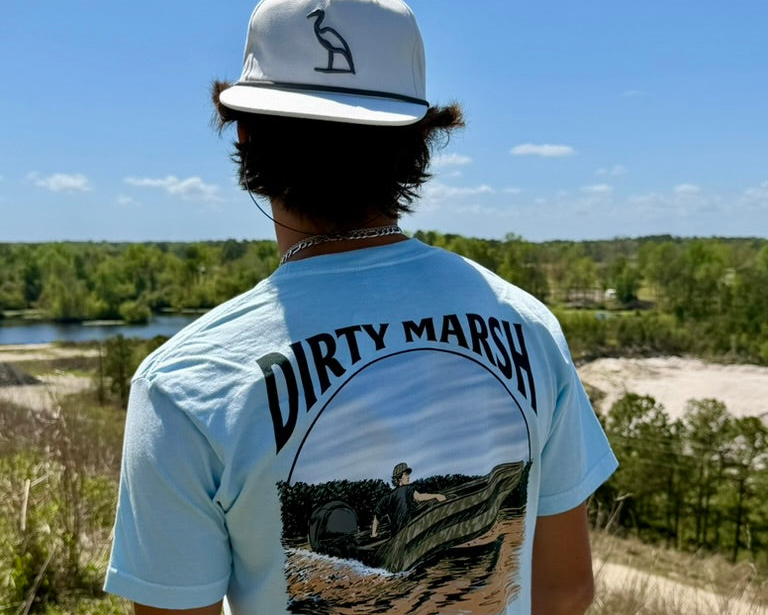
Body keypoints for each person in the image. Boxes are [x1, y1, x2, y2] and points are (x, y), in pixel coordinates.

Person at [104, 0, 618, 614]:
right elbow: (565, 590)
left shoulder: (185, 384)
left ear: (246, 135)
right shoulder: (529, 326)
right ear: (421, 141)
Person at [371, 462, 446, 538]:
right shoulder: (408, 489)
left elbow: (376, 518)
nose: (408, 477)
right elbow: (420, 497)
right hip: (409, 531)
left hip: (396, 536)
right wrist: (436, 496)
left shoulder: (388, 497)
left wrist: (374, 533)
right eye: (406, 474)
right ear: (399, 478)